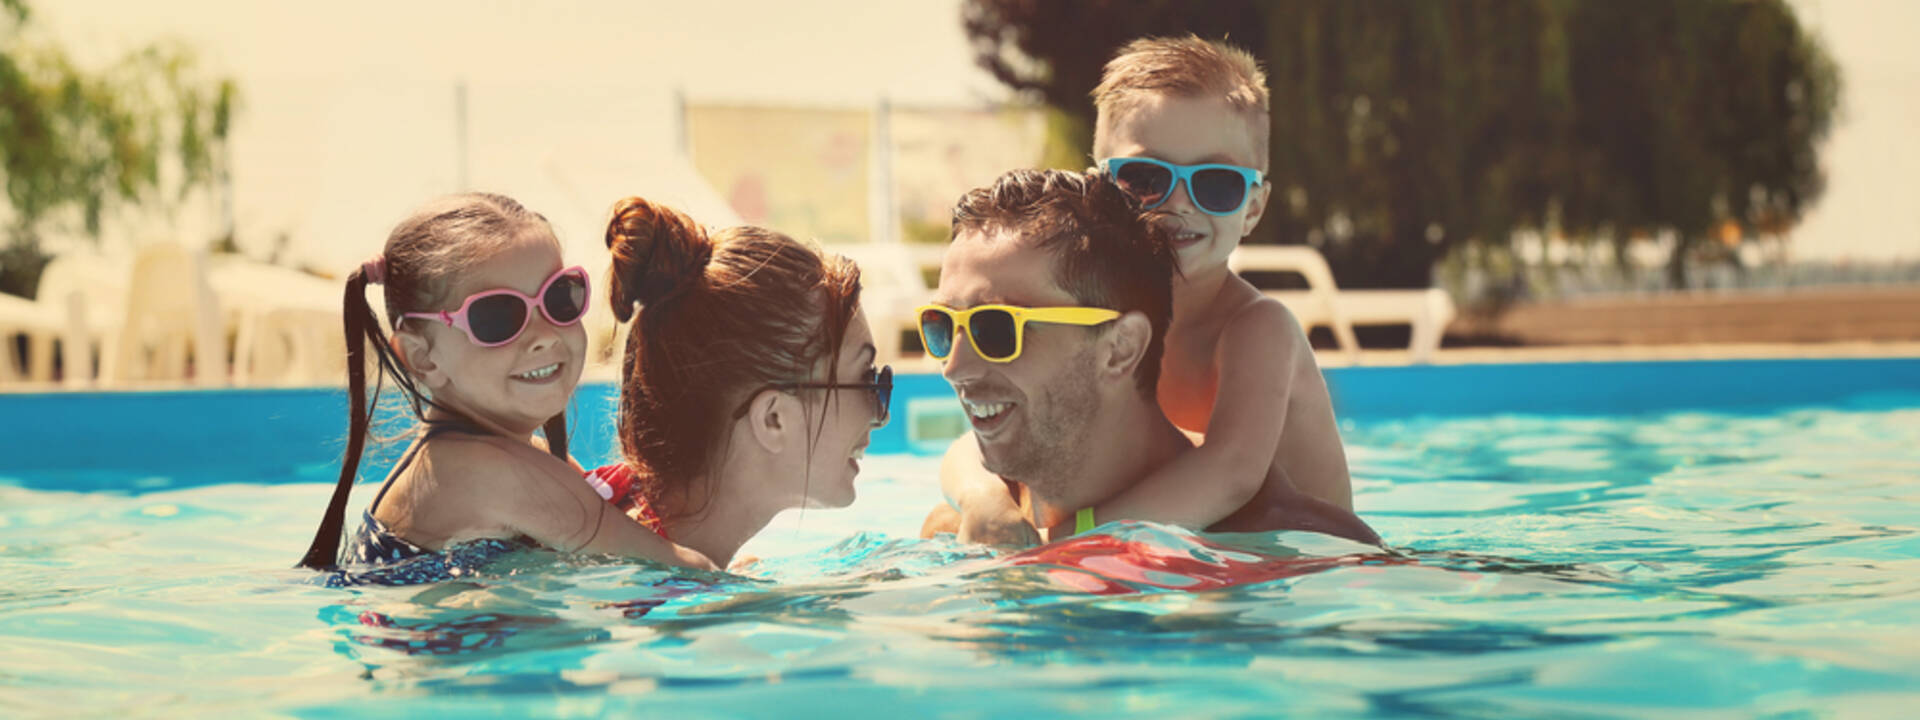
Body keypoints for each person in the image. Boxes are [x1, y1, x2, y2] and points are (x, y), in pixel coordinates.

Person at [944, 36, 1361, 543]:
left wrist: (1074, 538)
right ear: (1099, 187)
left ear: (1253, 208)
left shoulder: (1256, 327)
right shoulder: (1090, 316)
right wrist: (986, 501)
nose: (1178, 204)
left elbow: (1230, 473)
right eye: (1144, 177)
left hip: (1302, 567)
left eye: (1217, 184)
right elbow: (978, 437)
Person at [920, 169, 1377, 546]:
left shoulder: (1284, 547)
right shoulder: (966, 530)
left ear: (1120, 349)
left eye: (996, 329)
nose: (953, 366)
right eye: (941, 326)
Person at [296, 192, 712, 578]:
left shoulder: (480, 461)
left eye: (560, 297)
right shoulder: (491, 474)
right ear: (423, 357)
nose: (545, 334)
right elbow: (680, 570)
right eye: (497, 316)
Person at [590, 197, 892, 568]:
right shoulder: (657, 600)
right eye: (866, 381)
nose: (881, 413)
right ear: (773, 419)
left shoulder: (594, 511)